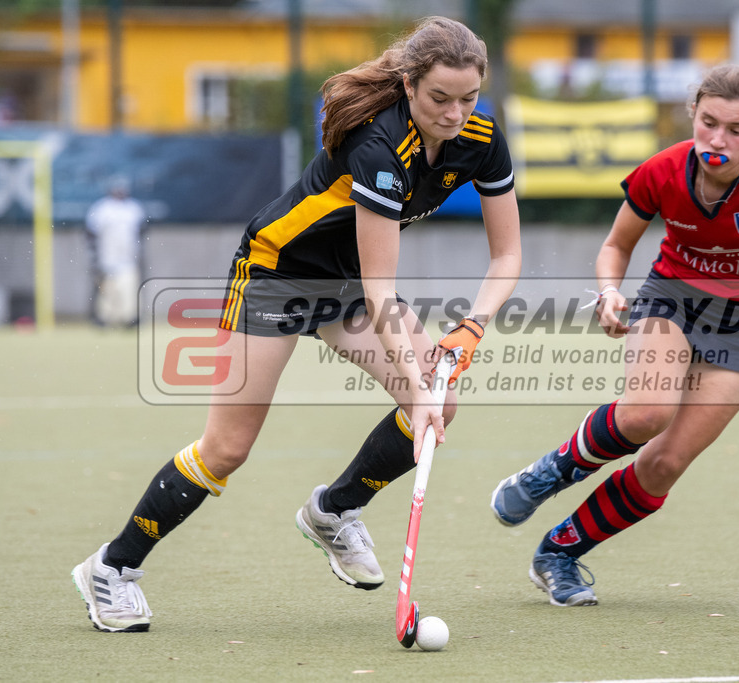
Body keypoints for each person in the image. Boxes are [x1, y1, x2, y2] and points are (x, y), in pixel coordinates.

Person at [72, 16, 521, 632]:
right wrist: (416, 387)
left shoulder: (480, 136)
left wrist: (471, 328)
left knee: (440, 407)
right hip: (277, 274)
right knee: (226, 449)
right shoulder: (378, 147)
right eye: (439, 98)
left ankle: (333, 511)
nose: (453, 113)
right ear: (410, 84)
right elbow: (380, 286)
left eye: (468, 98)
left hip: (348, 282)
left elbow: (507, 255)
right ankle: (112, 569)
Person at [490, 63, 739, 607]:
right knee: (645, 414)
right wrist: (609, 292)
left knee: (663, 464)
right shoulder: (662, 171)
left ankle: (559, 553)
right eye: (708, 123)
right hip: (672, 300)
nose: (717, 140)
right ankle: (550, 473)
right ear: (693, 114)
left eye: (736, 130)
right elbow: (615, 247)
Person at [85, 175, 147, 327]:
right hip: (107, 256)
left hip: (128, 256)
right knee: (107, 288)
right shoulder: (102, 208)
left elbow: (142, 229)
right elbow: (91, 231)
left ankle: (130, 318)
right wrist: (94, 253)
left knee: (128, 287)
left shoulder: (133, 208)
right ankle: (104, 318)